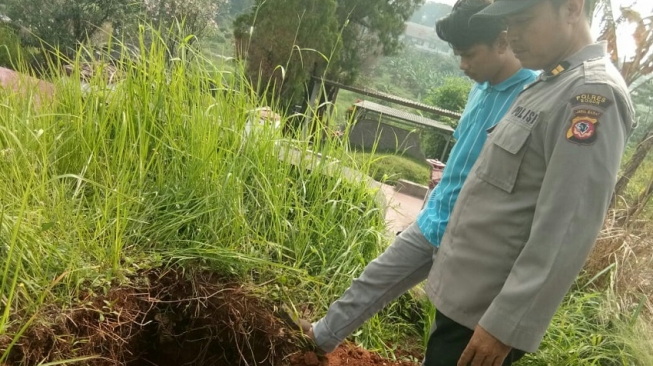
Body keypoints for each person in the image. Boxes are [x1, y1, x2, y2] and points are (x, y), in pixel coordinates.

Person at [299, 0, 538, 357]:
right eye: (457, 54)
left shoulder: (531, 98)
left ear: (502, 42)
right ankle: (319, 339)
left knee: (447, 329)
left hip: (474, 239)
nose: (463, 65)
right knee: (376, 278)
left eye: (469, 54)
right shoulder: (480, 88)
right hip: (435, 219)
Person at [421, 0, 636, 365]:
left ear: (570, 8)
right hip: (466, 302)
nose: (511, 35)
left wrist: (506, 324)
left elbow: (567, 226)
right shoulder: (551, 83)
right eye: (507, 23)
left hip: (484, 318)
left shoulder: (591, 96)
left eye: (522, 20)